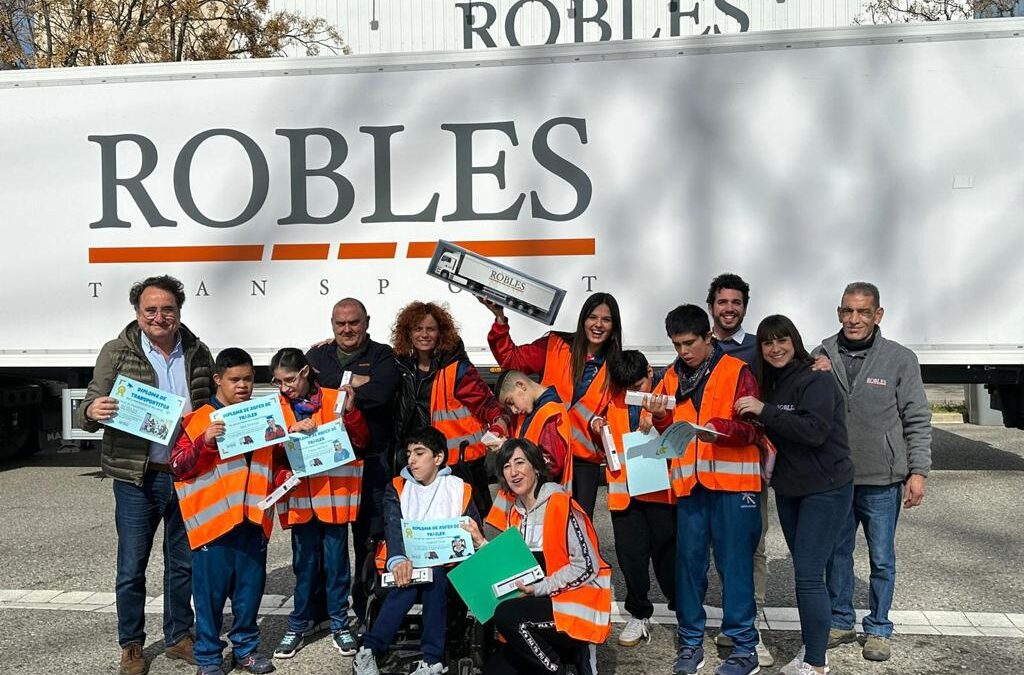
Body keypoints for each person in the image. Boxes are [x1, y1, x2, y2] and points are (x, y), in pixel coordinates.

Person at [77, 275, 212, 675]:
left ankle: (178, 637)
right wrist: (91, 411)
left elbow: (209, 408)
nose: (159, 316)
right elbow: (88, 402)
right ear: (137, 313)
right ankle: (132, 645)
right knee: (132, 565)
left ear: (179, 312)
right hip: (138, 477)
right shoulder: (117, 352)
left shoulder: (198, 351)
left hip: (186, 474)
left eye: (167, 309)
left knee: (183, 563)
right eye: (150, 309)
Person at [815, 282, 931, 662]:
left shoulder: (900, 359)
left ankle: (879, 626)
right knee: (837, 553)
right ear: (838, 312)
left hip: (883, 480)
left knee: (882, 557)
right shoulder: (822, 354)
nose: (854, 319)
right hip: (837, 478)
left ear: (878, 315)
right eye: (848, 311)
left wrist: (918, 472)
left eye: (863, 312)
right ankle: (840, 617)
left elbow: (916, 417)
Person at [734, 315, 855, 675]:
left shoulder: (816, 377)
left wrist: (764, 410)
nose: (775, 348)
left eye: (782, 340)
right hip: (790, 488)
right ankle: (811, 650)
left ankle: (816, 662)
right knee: (806, 573)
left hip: (826, 487)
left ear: (794, 341)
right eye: (767, 343)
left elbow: (815, 430)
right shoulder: (771, 381)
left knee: (807, 574)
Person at [650, 304, 763, 675]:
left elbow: (754, 429)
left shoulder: (737, 371)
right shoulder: (669, 377)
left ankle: (745, 649)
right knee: (689, 568)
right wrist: (661, 417)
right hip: (690, 485)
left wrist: (721, 429)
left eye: (689, 343)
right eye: (676, 344)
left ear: (708, 337)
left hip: (733, 486)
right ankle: (690, 645)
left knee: (735, 569)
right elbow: (666, 432)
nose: (683, 351)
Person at [169, 348, 279, 675]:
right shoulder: (198, 420)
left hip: (252, 521)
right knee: (209, 599)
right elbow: (178, 467)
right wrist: (205, 441)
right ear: (218, 379)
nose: (242, 385)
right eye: (234, 379)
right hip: (213, 526)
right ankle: (208, 657)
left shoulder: (261, 415)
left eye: (247, 379)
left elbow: (275, 462)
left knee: (249, 594)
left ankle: (246, 650)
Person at [467, 438, 611, 675]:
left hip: (572, 607)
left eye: (519, 463)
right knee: (494, 670)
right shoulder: (515, 512)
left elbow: (587, 566)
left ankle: (564, 661)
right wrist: (481, 543)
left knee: (507, 615)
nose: (513, 472)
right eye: (506, 466)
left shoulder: (560, 503)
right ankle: (560, 657)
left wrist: (540, 588)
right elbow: (512, 566)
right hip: (536, 607)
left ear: (535, 466)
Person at [267, 348, 372, 661]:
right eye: (278, 382)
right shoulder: (276, 407)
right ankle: (299, 623)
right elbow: (266, 454)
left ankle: (339, 624)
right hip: (299, 499)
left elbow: (362, 441)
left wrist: (351, 413)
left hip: (333, 495)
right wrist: (288, 434)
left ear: (305, 372)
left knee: (338, 565)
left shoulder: (334, 398)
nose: (285, 388)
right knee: (305, 566)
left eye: (289, 380)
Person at [352, 427, 482, 675]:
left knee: (433, 574)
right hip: (406, 565)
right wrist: (398, 559)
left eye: (419, 453)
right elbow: (393, 527)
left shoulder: (459, 489)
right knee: (413, 577)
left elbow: (473, 530)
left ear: (438, 457)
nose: (410, 460)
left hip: (448, 568)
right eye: (409, 453)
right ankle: (373, 652)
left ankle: (421, 659)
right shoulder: (398, 487)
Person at [482, 292, 623, 517]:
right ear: (583, 320)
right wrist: (500, 319)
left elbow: (618, 416)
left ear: (614, 325)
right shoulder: (555, 345)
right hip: (543, 453)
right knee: (538, 523)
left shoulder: (617, 366)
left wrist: (601, 428)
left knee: (576, 527)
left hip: (583, 463)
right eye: (592, 317)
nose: (598, 324)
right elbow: (512, 360)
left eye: (606, 320)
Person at [306, 297, 399, 625]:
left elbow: (383, 392)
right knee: (325, 542)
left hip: (369, 464)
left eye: (354, 322)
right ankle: (320, 611)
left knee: (369, 542)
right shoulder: (317, 355)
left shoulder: (383, 355)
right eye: (340, 323)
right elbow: (309, 394)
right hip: (326, 464)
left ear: (367, 322)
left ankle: (365, 611)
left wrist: (346, 388)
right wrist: (354, 383)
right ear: (332, 324)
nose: (347, 329)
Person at [706, 273, 773, 668]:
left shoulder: (757, 349)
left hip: (746, 470)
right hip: (706, 470)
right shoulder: (699, 346)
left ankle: (752, 624)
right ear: (712, 305)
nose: (729, 308)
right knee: (719, 550)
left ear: (745, 306)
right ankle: (734, 619)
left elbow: (789, 366)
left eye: (736, 302)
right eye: (722, 301)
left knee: (753, 549)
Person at [390, 301, 510, 516]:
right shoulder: (400, 366)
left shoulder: (458, 369)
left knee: (468, 528)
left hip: (459, 465)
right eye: (418, 329)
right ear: (408, 333)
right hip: (417, 461)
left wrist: (500, 424)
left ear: (441, 333)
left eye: (431, 329)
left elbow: (488, 406)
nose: (424, 334)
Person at [590, 350, 676, 648]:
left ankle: (684, 609)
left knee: (668, 557)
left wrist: (660, 419)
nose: (632, 394)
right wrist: (595, 426)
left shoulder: (668, 395)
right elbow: (592, 420)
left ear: (651, 372)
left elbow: (681, 436)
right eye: (626, 389)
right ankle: (639, 613)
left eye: (638, 387)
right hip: (624, 493)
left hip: (660, 491)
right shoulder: (612, 398)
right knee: (631, 559)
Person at [486, 370, 572, 529]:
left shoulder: (549, 413)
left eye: (511, 402)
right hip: (531, 504)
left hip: (541, 503)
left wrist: (508, 448)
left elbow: (551, 463)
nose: (513, 410)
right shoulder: (532, 412)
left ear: (521, 386)